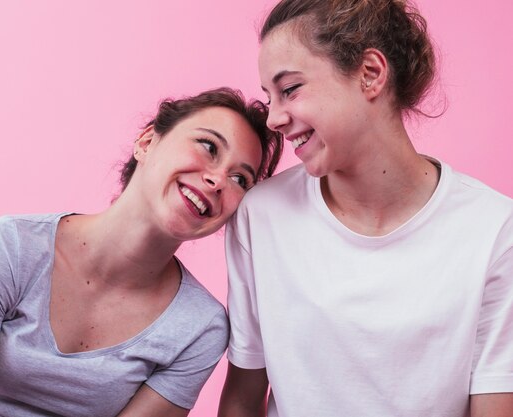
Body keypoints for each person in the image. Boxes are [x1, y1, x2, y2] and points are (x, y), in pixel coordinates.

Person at [218, 1, 513, 416]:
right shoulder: (261, 216)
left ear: (370, 73)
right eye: (269, 98)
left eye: (289, 89)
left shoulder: (495, 230)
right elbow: (242, 397)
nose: (274, 119)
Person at [0, 87, 282, 417]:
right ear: (148, 142)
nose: (219, 180)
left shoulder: (200, 328)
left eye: (240, 179)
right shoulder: (11, 247)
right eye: (208, 146)